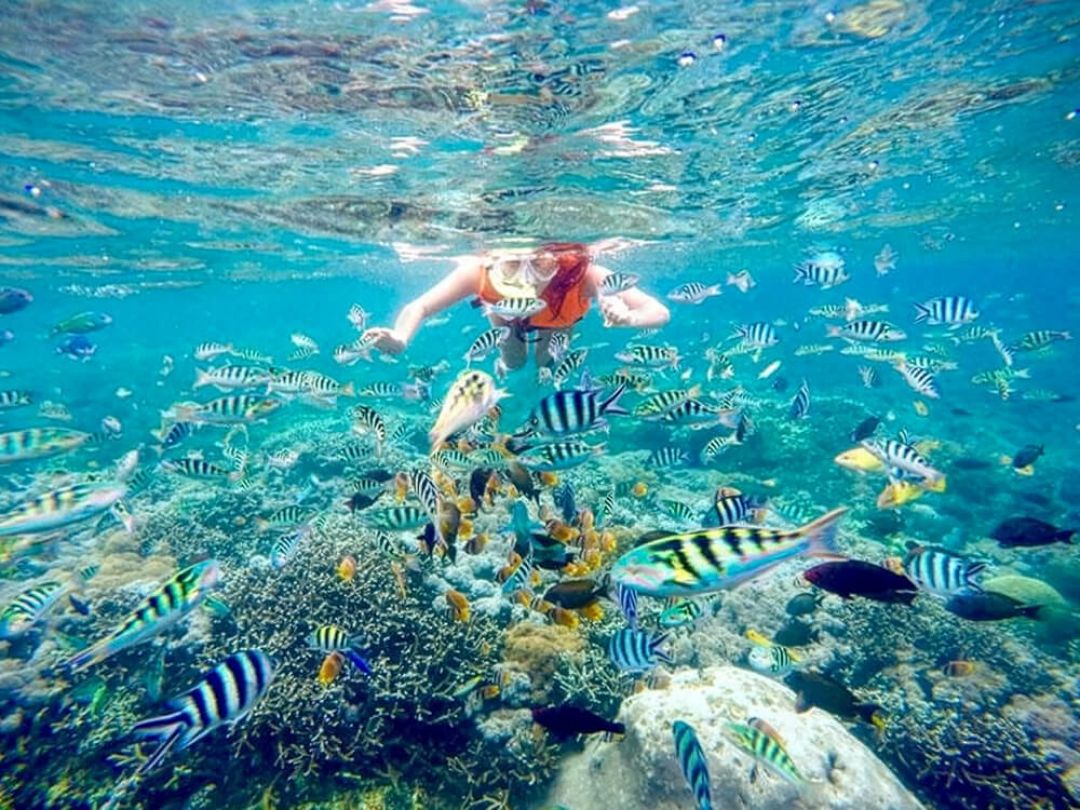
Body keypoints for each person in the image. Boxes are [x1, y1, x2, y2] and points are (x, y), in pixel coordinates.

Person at [362, 241, 670, 371]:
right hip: (505, 320)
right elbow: (420, 307)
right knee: (514, 362)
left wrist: (628, 318)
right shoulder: (477, 272)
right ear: (494, 258)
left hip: (559, 320)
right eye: (512, 264)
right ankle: (507, 365)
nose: (526, 277)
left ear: (557, 258)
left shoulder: (584, 274)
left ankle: (540, 382)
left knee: (548, 363)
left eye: (538, 263)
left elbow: (659, 312)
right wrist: (401, 337)